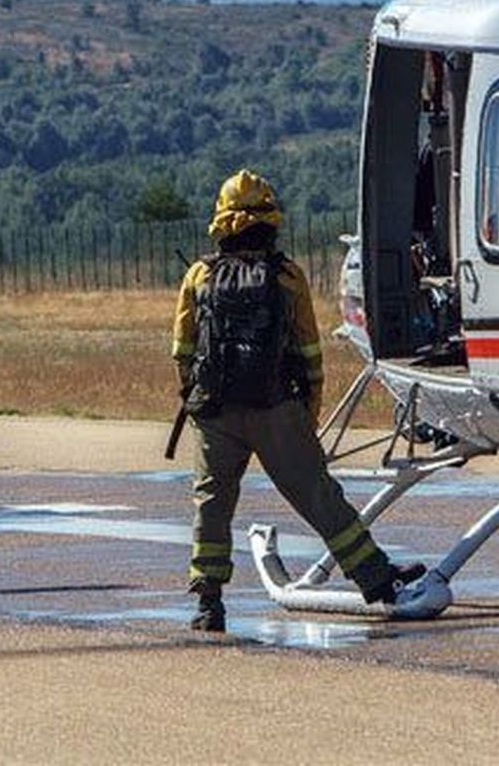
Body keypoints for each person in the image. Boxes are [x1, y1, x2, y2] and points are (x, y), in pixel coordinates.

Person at [171, 170, 423, 632]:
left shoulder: (198, 276)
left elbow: (182, 352)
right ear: (270, 220)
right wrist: (305, 416)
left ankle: (208, 602)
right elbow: (309, 355)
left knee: (212, 503)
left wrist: (199, 405)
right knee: (319, 496)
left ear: (221, 222)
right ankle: (377, 580)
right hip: (276, 410)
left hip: (216, 413)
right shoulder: (287, 277)